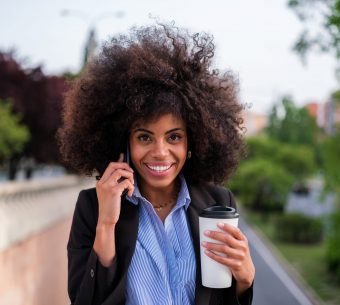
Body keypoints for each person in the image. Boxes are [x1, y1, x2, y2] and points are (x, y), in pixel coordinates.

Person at [58, 23, 255, 305]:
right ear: (123, 142)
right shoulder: (92, 207)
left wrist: (245, 282)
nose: (160, 152)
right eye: (144, 136)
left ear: (193, 142)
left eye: (174, 137)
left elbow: (222, 297)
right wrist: (106, 224)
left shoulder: (217, 201)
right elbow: (84, 300)